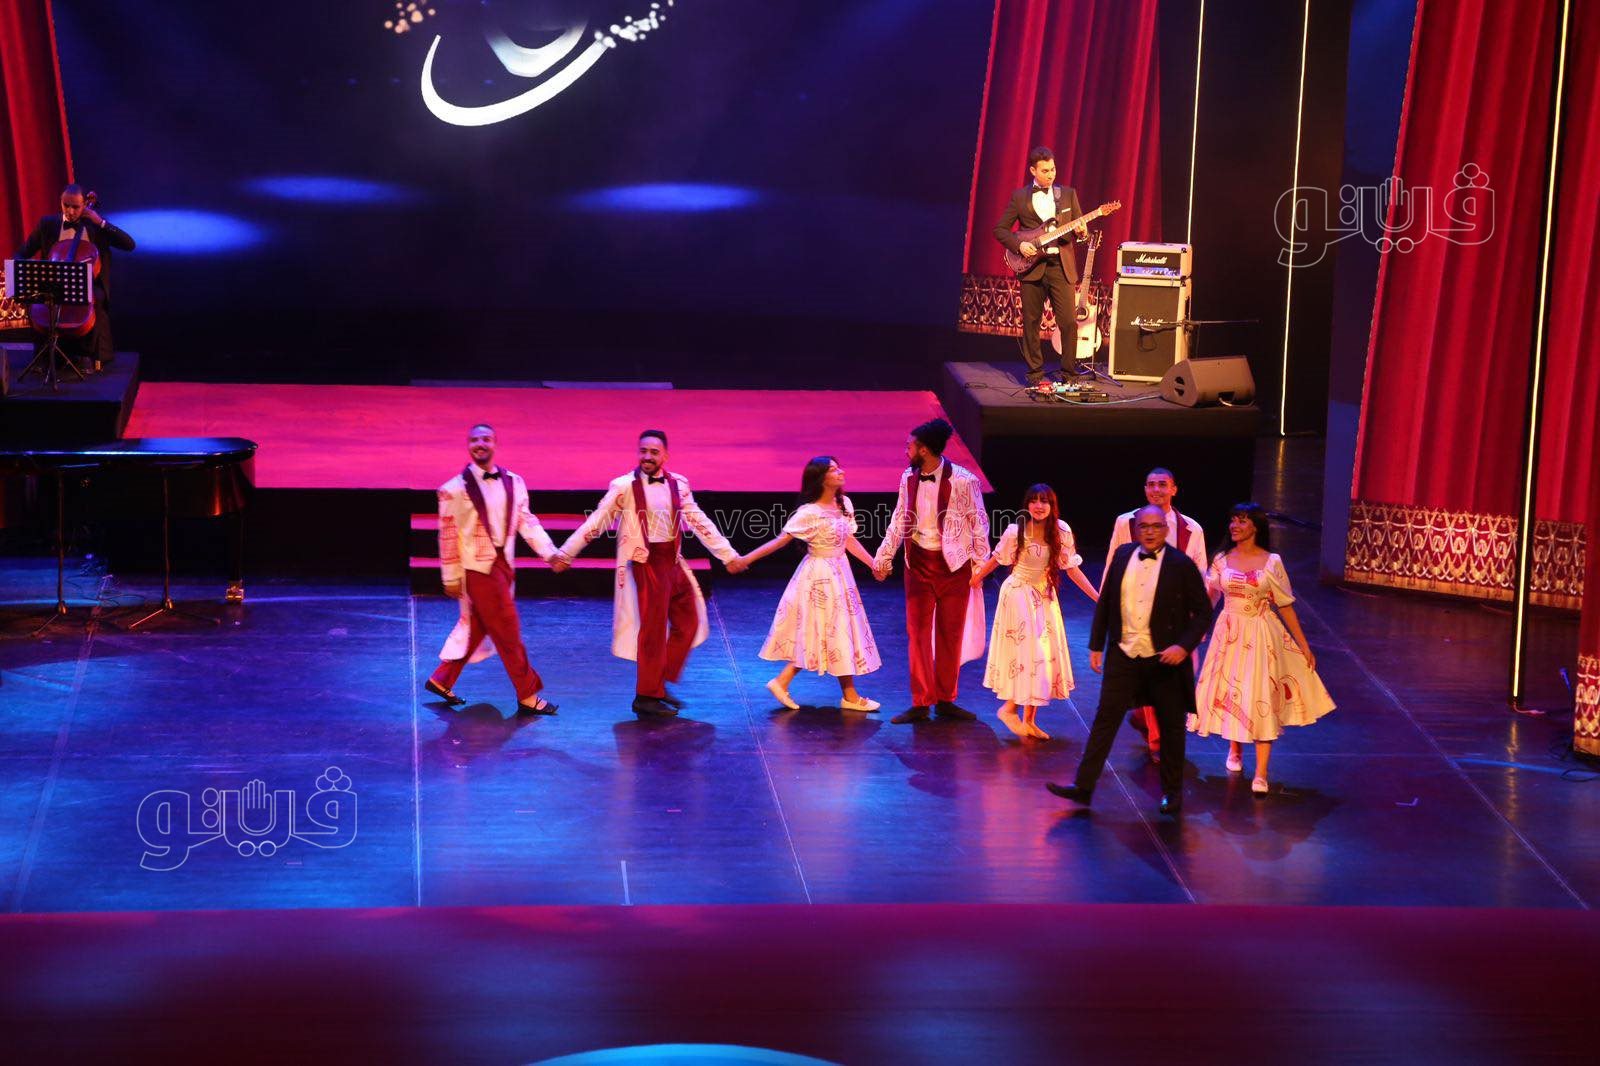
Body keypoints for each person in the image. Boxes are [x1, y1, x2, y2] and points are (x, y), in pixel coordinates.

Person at [553, 429, 747, 718]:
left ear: (665, 456)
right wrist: (567, 552)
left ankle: (657, 681)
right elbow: (597, 521)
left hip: (673, 562)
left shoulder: (678, 484)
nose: (647, 457)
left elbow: (699, 522)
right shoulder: (623, 487)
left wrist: (727, 555)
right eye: (643, 451)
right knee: (653, 632)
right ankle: (646, 696)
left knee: (689, 621)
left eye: (654, 452)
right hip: (647, 564)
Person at [1046, 504, 1212, 816]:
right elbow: (1107, 600)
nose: (1149, 532)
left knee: (1171, 727)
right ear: (1136, 530)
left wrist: (1183, 646)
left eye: (1156, 526)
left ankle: (1172, 793)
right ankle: (1083, 786)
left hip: (1163, 660)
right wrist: (1096, 644)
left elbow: (1203, 612)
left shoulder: (1181, 565)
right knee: (1105, 720)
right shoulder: (1123, 555)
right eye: (1144, 527)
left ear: (1165, 530)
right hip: (1124, 654)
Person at [1189, 503, 1334, 795]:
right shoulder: (1221, 560)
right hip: (1229, 633)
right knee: (1233, 689)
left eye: (1242, 521)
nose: (1235, 526)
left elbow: (1285, 605)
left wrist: (1303, 645)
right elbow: (1210, 597)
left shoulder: (1271, 562)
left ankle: (1261, 772)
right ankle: (1235, 750)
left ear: (1255, 526)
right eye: (1232, 520)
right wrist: (1197, 629)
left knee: (1259, 693)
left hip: (1259, 633)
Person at [424, 423, 560, 715]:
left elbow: (527, 522)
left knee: (480, 627)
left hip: (503, 566)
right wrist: (450, 576)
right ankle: (527, 694)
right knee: (508, 632)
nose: (480, 444)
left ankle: (441, 678)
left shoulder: (514, 482)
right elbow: (447, 536)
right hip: (477, 571)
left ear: (495, 444)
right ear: (468, 446)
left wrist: (549, 552)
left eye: (485, 439)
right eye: (474, 440)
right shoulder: (453, 490)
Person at [739, 457, 883, 712]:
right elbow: (780, 541)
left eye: (839, 467)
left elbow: (849, 541)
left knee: (836, 632)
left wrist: (874, 564)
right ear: (821, 478)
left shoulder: (844, 504)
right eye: (833, 469)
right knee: (825, 630)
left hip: (841, 575)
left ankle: (792, 684)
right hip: (818, 577)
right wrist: (746, 559)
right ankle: (843, 695)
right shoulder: (808, 513)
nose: (840, 472)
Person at [872, 418, 990, 724]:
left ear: (923, 449)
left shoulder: (964, 480)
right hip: (918, 564)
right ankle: (921, 701)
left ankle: (946, 699)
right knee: (918, 634)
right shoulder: (907, 478)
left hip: (954, 566)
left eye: (909, 446)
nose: (906, 450)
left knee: (951, 634)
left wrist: (981, 566)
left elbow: (979, 523)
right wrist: (884, 557)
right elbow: (900, 518)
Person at [971, 484, 1098, 740]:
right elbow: (997, 558)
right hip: (1018, 595)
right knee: (1030, 655)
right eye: (1034, 501)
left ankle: (1029, 720)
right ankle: (1009, 709)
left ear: (1052, 505)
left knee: (1044, 657)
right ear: (1027, 504)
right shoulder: (1016, 531)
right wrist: (976, 578)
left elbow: (1071, 568)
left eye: (1044, 501)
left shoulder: (1061, 531)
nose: (1039, 506)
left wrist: (1097, 597)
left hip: (1044, 596)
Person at [1103, 467, 1208, 760]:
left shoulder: (1191, 529)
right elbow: (1113, 564)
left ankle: (1142, 716)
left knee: (1175, 676)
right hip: (1138, 610)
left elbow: (1200, 574)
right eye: (1151, 484)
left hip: (1177, 613)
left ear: (1174, 489)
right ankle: (1157, 739)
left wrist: (1198, 621)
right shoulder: (1126, 522)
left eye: (1162, 484)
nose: (1156, 489)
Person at [14, 183, 136, 371]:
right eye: (66, 205)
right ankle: (43, 356)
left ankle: (84, 355)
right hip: (55, 285)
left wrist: (101, 223)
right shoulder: (48, 224)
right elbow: (22, 252)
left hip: (88, 284)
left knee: (92, 298)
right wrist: (22, 268)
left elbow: (129, 245)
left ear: (85, 205)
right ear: (60, 202)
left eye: (76, 207)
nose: (70, 211)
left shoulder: (96, 226)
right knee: (35, 301)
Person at [993, 146, 1085, 389]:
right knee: (1031, 322)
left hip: (1060, 266)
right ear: (1033, 170)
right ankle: (1035, 374)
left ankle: (1069, 374)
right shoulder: (1019, 197)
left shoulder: (1068, 194)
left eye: (1053, 169)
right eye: (1045, 171)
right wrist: (1019, 246)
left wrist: (1082, 232)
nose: (1051, 174)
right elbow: (1000, 229)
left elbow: (1079, 231)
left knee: (1068, 323)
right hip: (1031, 267)